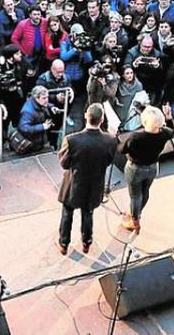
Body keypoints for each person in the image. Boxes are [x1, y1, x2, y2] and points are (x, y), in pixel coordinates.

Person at [55, 103, 117, 255]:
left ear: (85, 116)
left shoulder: (72, 140)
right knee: (88, 214)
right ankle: (86, 243)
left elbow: (64, 164)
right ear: (102, 120)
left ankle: (64, 244)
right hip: (95, 185)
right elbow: (108, 161)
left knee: (67, 213)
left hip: (74, 184)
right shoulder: (110, 140)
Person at [117, 105, 174, 232]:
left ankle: (134, 220)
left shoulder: (136, 138)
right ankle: (137, 213)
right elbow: (172, 131)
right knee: (145, 191)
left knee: (135, 196)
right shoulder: (164, 133)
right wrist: (169, 118)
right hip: (153, 167)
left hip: (135, 169)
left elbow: (121, 149)